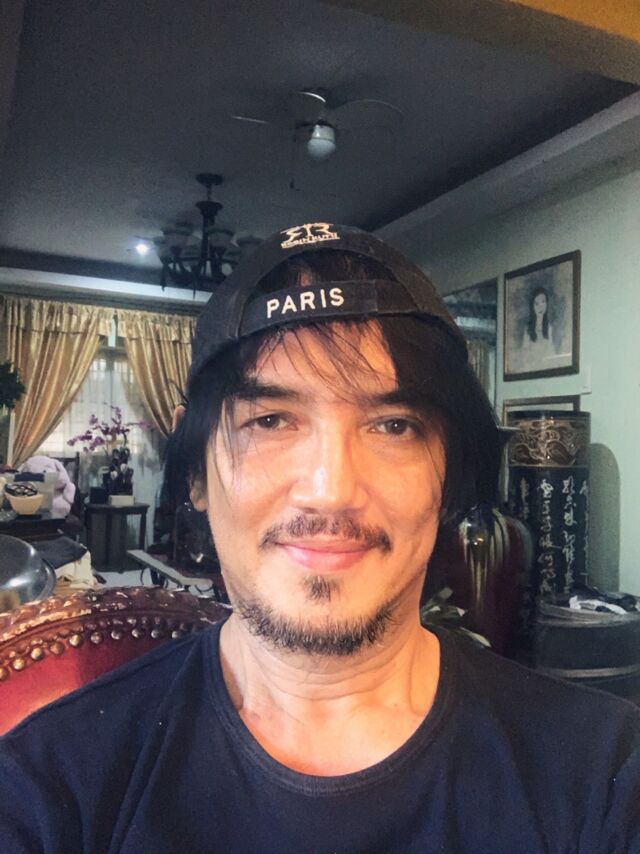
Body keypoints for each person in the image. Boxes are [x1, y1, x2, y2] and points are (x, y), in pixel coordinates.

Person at [0, 223, 639, 853]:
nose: (331, 491)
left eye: (394, 425)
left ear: (449, 473)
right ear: (195, 470)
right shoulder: (51, 784)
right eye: (271, 420)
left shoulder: (601, 773)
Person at [521, 285, 556, 365]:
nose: (541, 307)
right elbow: (524, 356)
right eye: (537, 304)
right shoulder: (528, 329)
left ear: (547, 303)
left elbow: (551, 353)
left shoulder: (549, 327)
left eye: (543, 302)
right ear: (532, 307)